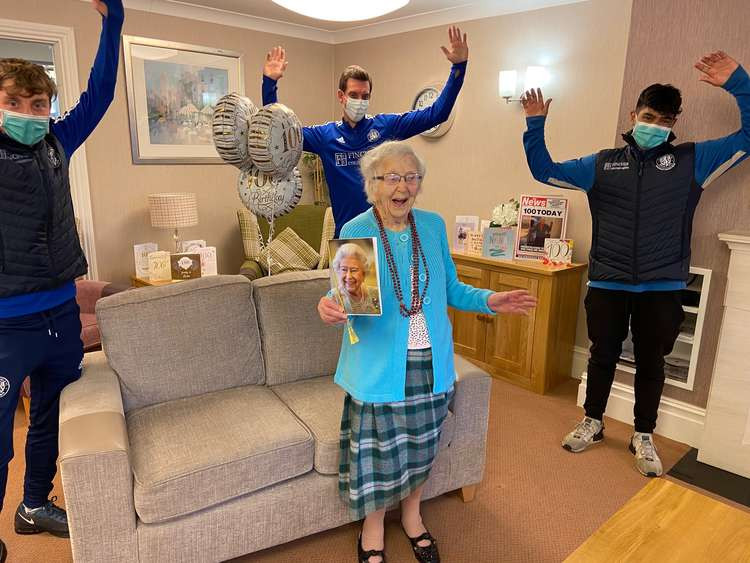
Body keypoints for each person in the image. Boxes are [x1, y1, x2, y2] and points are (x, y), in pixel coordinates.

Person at [521, 50, 750, 477]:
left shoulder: (693, 161)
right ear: (633, 114)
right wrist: (536, 125)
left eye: (665, 122)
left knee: (651, 363)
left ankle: (643, 433)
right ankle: (593, 421)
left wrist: (739, 83)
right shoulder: (602, 164)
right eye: (648, 117)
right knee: (601, 355)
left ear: (674, 125)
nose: (655, 126)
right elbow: (544, 170)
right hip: (608, 282)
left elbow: (749, 137)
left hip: (662, 286)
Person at [317, 141, 537, 563]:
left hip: (430, 361)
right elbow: (346, 291)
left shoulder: (433, 226)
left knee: (421, 447)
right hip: (380, 365)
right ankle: (374, 526)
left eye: (411, 177)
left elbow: (451, 287)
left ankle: (413, 516)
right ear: (372, 185)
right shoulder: (357, 229)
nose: (403, 186)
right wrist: (328, 303)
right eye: (392, 177)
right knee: (379, 453)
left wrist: (490, 300)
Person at [0, 1, 124, 558]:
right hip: (5, 325)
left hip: (60, 315)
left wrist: (113, 19)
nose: (28, 111)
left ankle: (33, 504)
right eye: (14, 102)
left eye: (38, 102)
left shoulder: (57, 142)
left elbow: (99, 94)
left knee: (51, 414)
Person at [262, 26, 469, 237]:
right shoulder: (324, 136)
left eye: (365, 96)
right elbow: (281, 132)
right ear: (341, 96)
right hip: (348, 238)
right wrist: (269, 83)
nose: (360, 101)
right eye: (354, 95)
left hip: (387, 236)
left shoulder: (385, 127)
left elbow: (436, 114)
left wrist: (458, 68)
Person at [331, 243, 380, 315]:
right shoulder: (333, 297)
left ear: (364, 273)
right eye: (344, 269)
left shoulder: (376, 293)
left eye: (354, 270)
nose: (348, 276)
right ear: (338, 271)